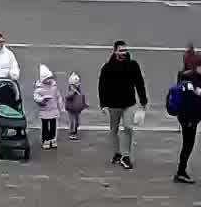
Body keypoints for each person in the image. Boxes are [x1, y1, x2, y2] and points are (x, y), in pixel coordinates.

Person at [98, 40, 148, 169]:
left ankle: (126, 156)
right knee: (113, 130)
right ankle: (117, 153)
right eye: (121, 50)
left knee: (128, 128)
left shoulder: (133, 65)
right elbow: (102, 87)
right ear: (115, 51)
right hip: (113, 105)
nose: (124, 53)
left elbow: (139, 83)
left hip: (129, 104)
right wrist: (103, 105)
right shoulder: (107, 68)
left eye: (125, 50)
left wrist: (143, 101)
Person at [171, 60, 201, 184]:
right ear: (197, 68)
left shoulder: (197, 80)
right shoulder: (192, 82)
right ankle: (181, 171)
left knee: (188, 145)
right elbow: (189, 102)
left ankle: (181, 170)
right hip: (189, 118)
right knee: (188, 145)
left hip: (191, 118)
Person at [32, 64, 63, 150]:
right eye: (47, 78)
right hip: (44, 111)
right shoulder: (39, 88)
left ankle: (52, 139)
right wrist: (42, 100)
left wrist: (60, 105)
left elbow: (58, 95)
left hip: (53, 110)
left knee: (53, 125)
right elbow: (36, 97)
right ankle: (46, 139)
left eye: (50, 78)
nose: (49, 80)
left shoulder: (54, 86)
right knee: (45, 126)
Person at [62, 72, 88, 140]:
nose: (78, 84)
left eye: (78, 83)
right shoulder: (71, 91)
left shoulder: (79, 91)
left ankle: (74, 131)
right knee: (72, 122)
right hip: (71, 109)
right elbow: (67, 97)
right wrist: (72, 93)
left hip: (78, 110)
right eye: (76, 83)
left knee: (77, 122)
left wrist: (84, 104)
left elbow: (82, 97)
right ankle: (72, 133)